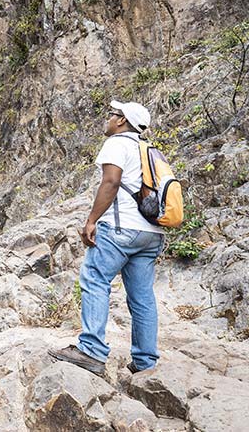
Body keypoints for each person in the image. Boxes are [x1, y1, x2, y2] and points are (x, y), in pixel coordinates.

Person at [49, 101, 165, 376]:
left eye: (112, 114)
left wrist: (91, 221)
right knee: (142, 297)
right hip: (151, 232)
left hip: (120, 228)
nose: (108, 118)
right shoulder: (149, 149)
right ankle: (145, 362)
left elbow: (111, 182)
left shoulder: (117, 143)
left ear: (122, 120)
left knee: (94, 279)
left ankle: (91, 350)